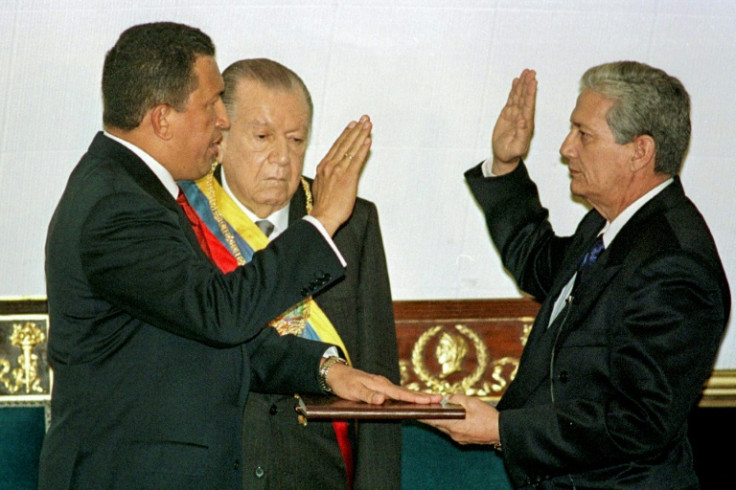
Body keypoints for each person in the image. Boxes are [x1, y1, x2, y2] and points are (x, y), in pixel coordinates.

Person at [39, 22, 438, 490]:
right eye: (210, 106)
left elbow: (200, 334)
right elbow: (221, 314)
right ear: (163, 119)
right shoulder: (118, 205)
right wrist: (323, 220)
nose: (222, 121)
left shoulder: (137, 191)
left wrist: (326, 370)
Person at [424, 62, 730, 488]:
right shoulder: (611, 225)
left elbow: (639, 421)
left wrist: (500, 429)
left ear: (639, 151)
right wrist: (506, 165)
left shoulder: (674, 264)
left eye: (584, 135)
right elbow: (538, 262)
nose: (567, 148)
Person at [178, 58, 401, 489]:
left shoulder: (351, 222)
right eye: (262, 137)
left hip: (318, 469)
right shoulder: (183, 217)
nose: (282, 157)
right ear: (220, 138)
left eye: (296, 140)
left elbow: (376, 373)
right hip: (216, 467)